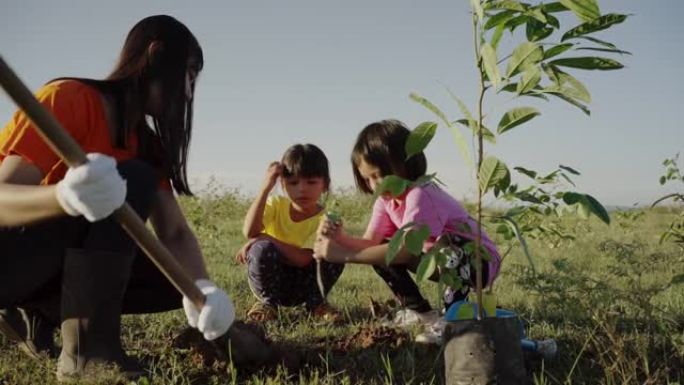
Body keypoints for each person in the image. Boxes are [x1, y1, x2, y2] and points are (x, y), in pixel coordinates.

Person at [0, 15, 234, 381]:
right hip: (10, 255)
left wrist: (203, 289)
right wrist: (63, 197)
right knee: (132, 178)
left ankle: (42, 311)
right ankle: (89, 352)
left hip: (53, 261)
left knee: (172, 282)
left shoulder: (145, 144)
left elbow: (173, 233)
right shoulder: (70, 98)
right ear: (155, 53)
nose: (188, 92)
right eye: (188, 74)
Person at [313, 120, 501, 335]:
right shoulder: (385, 201)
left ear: (406, 163)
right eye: (367, 179)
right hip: (436, 261)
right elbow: (371, 243)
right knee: (381, 251)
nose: (375, 185)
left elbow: (406, 251)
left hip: (478, 261)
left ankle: (453, 322)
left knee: (447, 249)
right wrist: (340, 238)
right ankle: (421, 312)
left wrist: (342, 255)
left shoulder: (421, 194)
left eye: (379, 175)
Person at [235, 144, 344, 322]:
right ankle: (267, 304)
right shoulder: (276, 204)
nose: (302, 189)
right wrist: (265, 188)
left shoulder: (326, 219)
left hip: (305, 284)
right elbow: (250, 231)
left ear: (325, 184)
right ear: (283, 185)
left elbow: (304, 259)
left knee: (336, 251)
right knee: (262, 249)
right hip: (271, 281)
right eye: (293, 182)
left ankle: (316, 304)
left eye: (311, 182)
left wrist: (265, 236)